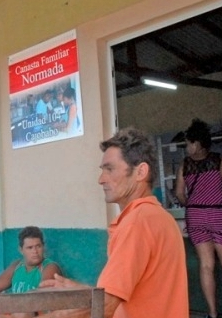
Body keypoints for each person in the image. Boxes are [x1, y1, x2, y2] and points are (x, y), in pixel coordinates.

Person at [37, 127, 189, 318]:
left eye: (110, 169)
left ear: (140, 172)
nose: (101, 179)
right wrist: (85, 291)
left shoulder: (138, 222)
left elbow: (105, 307)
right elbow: (128, 296)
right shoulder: (159, 217)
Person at [174, 119, 222, 318]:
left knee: (206, 266)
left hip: (196, 216)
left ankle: (212, 314)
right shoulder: (219, 160)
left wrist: (194, 206)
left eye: (188, 143)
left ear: (196, 144)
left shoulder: (184, 165)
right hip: (220, 214)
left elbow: (179, 194)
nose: (187, 147)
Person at [0, 226, 61, 318]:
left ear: (43, 247)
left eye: (38, 246)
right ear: (21, 250)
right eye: (30, 248)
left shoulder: (49, 267)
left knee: (22, 313)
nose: (35, 251)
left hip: (35, 314)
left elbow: (40, 296)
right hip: (14, 310)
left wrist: (5, 301)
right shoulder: (17, 266)